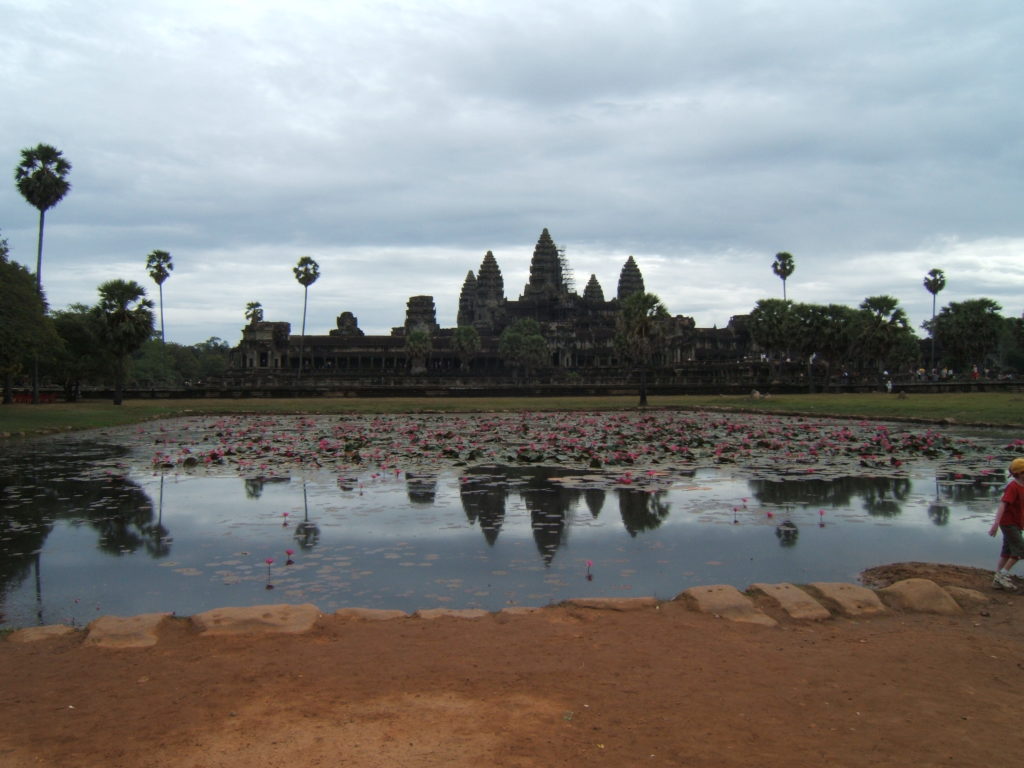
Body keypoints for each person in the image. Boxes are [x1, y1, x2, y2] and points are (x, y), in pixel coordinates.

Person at [988, 457, 1024, 590]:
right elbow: (1003, 504)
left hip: (1017, 523)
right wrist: (995, 524)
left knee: (1007, 551)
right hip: (1008, 523)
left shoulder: (1022, 486)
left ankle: (997, 580)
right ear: (1020, 473)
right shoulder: (1013, 487)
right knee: (1021, 550)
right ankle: (1002, 575)